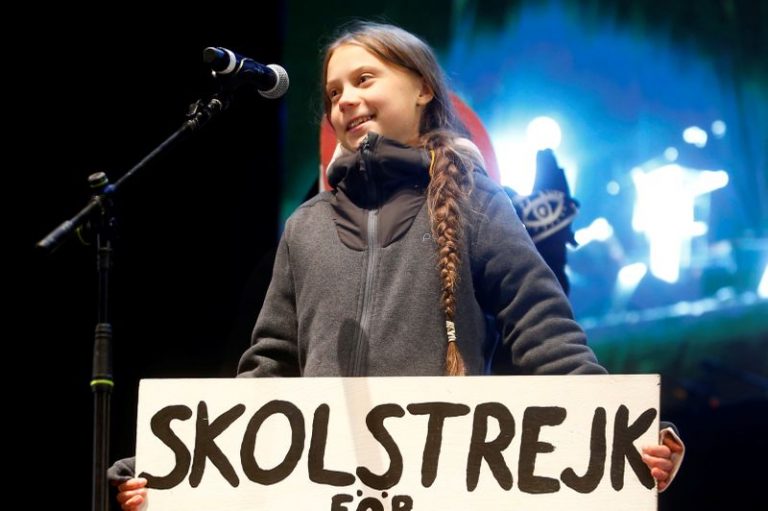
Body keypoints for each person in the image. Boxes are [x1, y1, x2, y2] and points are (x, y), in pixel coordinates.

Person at [111, 21, 683, 509]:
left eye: (365, 80)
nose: (345, 100)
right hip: (318, 494)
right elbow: (268, 370)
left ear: (423, 91)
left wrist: (628, 434)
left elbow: (546, 333)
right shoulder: (304, 228)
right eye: (334, 92)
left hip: (442, 491)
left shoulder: (477, 205)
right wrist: (170, 469)